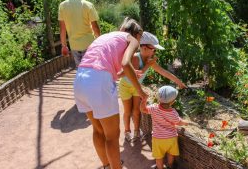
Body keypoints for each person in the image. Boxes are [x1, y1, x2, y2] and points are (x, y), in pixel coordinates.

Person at [73, 18, 148, 169]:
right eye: (139, 39)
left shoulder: (105, 37)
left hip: (80, 80)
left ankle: (107, 165)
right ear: (136, 34)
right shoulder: (131, 39)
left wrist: (129, 74)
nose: (138, 44)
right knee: (112, 136)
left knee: (98, 130)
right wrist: (141, 92)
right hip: (99, 82)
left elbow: (108, 67)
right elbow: (126, 64)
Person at [118, 31, 186, 142]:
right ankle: (127, 131)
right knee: (127, 111)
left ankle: (136, 131)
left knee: (136, 110)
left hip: (137, 87)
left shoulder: (150, 61)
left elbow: (164, 72)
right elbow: (137, 74)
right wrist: (148, 65)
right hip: (125, 86)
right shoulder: (135, 57)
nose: (154, 52)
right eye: (153, 49)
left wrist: (178, 82)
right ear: (144, 48)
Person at [140, 86, 188, 169]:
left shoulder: (154, 108)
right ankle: (170, 165)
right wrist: (185, 123)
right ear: (172, 102)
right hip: (171, 138)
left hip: (157, 138)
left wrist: (144, 100)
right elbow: (179, 122)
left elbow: (143, 110)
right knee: (170, 153)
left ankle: (160, 167)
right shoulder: (173, 113)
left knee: (159, 157)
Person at [58, 0, 101, 66]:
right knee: (91, 69)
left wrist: (64, 46)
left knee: (80, 70)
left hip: (74, 45)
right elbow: (95, 27)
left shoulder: (62, 6)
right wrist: (99, 42)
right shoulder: (88, 5)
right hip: (89, 44)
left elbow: (62, 29)